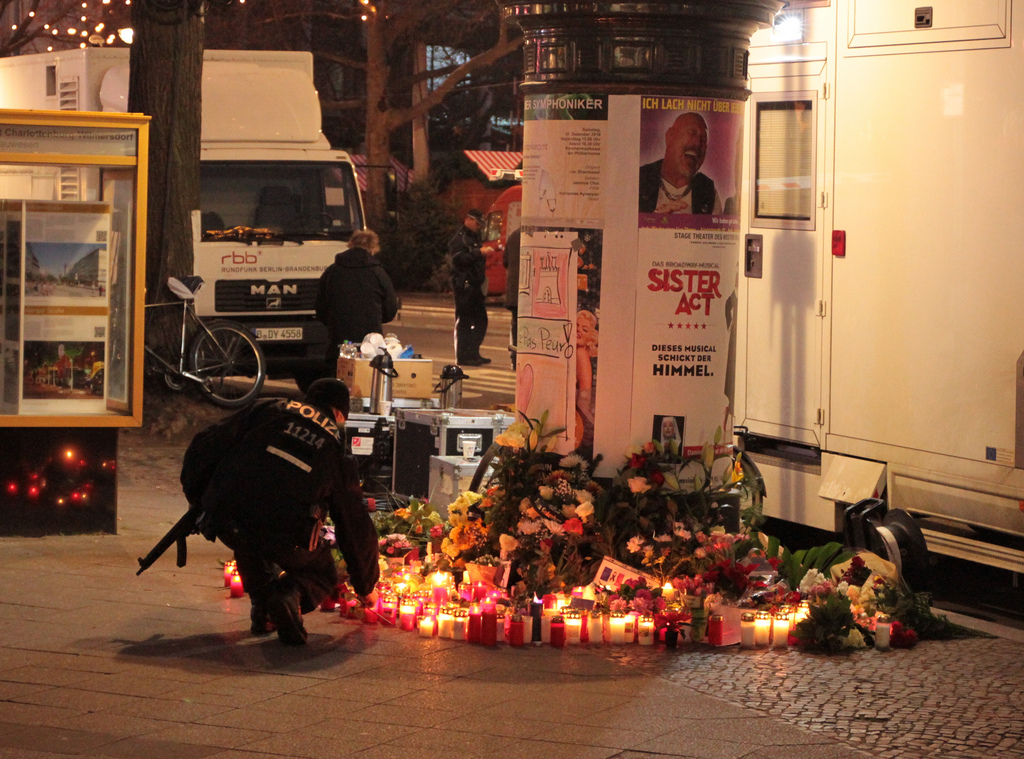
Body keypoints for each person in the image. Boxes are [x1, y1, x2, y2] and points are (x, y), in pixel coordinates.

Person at [180, 378, 380, 645]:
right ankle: (290, 593)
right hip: (287, 536)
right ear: (338, 413)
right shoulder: (335, 448)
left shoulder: (268, 409)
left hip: (229, 519)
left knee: (248, 540)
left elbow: (205, 443)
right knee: (322, 572)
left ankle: (265, 613)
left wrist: (199, 497)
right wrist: (366, 585)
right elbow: (353, 523)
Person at [315, 229, 399, 373]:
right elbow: (390, 309)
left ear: (350, 244)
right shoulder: (378, 273)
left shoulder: (332, 272)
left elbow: (320, 307)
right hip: (370, 344)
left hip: (338, 340)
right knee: (366, 381)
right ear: (373, 248)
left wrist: (333, 322)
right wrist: (375, 318)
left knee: (338, 377)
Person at [638, 112, 722, 215]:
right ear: (670, 136)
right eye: (691, 133)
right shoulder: (640, 179)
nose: (697, 143)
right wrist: (656, 218)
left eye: (703, 140)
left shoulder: (708, 191)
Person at [448, 209, 490, 366]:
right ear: (468, 220)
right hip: (464, 285)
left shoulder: (473, 236)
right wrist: (479, 253)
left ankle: (473, 352)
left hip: (475, 284)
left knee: (480, 320)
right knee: (465, 320)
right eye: (477, 223)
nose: (479, 227)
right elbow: (458, 259)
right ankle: (464, 356)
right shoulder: (460, 238)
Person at [502, 227, 522, 369]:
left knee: (516, 327)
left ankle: (515, 360)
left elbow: (505, 261)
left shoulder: (514, 236)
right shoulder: (542, 234)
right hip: (531, 293)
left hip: (515, 292)